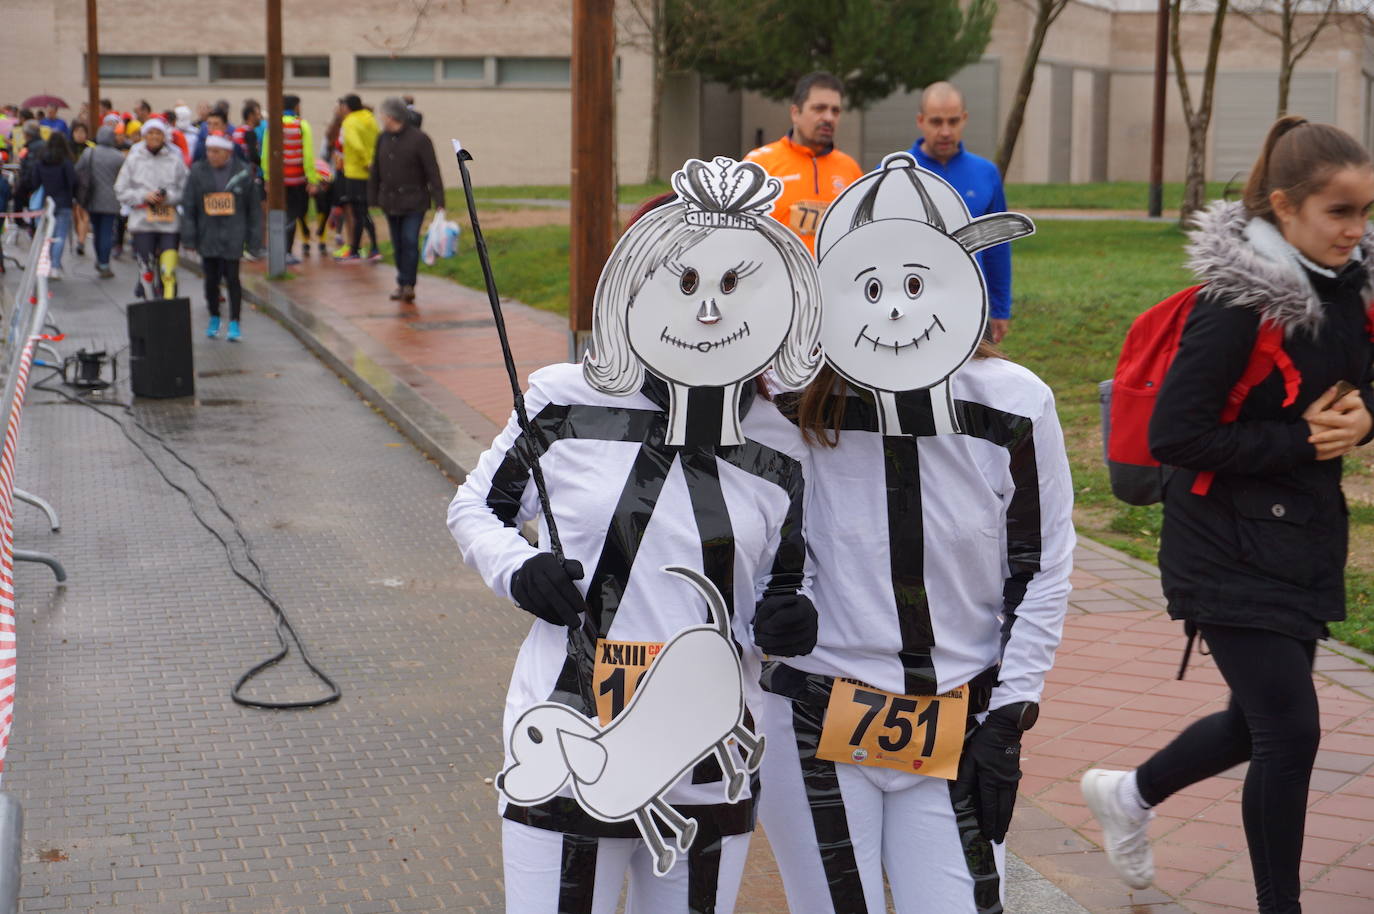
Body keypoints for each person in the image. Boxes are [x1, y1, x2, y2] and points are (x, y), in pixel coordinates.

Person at [448, 170, 823, 913]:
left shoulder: (782, 445)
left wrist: (792, 614)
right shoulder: (565, 400)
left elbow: (789, 576)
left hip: (708, 760)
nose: (708, 307)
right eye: (679, 278)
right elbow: (474, 508)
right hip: (566, 739)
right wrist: (519, 569)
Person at [758, 156, 1073, 914]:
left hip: (960, 720)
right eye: (871, 285)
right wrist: (764, 611)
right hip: (815, 712)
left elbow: (1043, 567)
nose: (897, 310)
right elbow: (745, 539)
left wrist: (1012, 711)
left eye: (920, 280)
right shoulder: (789, 403)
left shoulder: (1013, 405)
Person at [1081, 117, 1374, 914]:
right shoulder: (1237, 303)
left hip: (1302, 534)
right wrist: (1303, 442)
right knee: (1291, 730)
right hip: (1220, 540)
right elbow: (1180, 433)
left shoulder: (1350, 288)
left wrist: (1366, 417)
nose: (1357, 230)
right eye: (1339, 213)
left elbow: (1365, 378)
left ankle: (1129, 794)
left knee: (1257, 723)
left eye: (1365, 211)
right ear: (1284, 208)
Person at [907, 82, 1015, 344]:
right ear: (920, 121)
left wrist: (1000, 308)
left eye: (953, 121)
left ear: (964, 119)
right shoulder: (897, 172)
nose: (945, 131)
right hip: (911, 307)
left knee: (973, 383)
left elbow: (997, 247)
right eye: (936, 122)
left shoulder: (986, 174)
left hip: (973, 306)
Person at [743, 71, 864, 256]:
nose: (829, 118)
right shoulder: (759, 164)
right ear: (795, 113)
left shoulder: (850, 169)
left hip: (831, 282)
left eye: (835, 111)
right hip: (776, 281)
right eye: (819, 108)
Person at [182, 132, 261, 342]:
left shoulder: (242, 173)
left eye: (216, 151)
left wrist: (254, 242)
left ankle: (235, 321)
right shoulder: (198, 172)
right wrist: (189, 237)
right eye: (209, 151)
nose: (211, 155)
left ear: (227, 152)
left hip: (233, 233)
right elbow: (189, 205)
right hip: (207, 234)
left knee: (233, 278)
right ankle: (214, 316)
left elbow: (253, 210)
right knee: (211, 280)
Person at [368, 97, 442, 303]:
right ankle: (402, 282)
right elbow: (376, 169)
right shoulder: (382, 138)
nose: (381, 118)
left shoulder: (420, 139)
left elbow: (432, 171)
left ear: (391, 116)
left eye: (383, 115)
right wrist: (372, 197)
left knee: (410, 240)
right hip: (390, 201)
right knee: (398, 243)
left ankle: (408, 284)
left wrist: (440, 201)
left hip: (414, 201)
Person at [114, 117, 189, 299]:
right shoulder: (134, 158)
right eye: (151, 133)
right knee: (146, 269)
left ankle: (169, 307)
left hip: (169, 223)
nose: (154, 137)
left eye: (158, 133)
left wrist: (168, 198)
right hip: (142, 222)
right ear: (144, 136)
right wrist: (143, 197)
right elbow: (120, 190)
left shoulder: (175, 158)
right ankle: (149, 306)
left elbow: (186, 189)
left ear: (165, 137)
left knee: (168, 270)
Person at [260, 94, 319, 264]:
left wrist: (267, 177)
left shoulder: (273, 125)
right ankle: (286, 252)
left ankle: (276, 250)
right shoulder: (302, 125)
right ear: (296, 107)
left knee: (279, 213)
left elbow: (266, 153)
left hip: (278, 180)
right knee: (293, 215)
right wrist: (312, 179)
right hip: (297, 180)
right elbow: (307, 155)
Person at [334, 94, 380, 263]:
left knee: (358, 211)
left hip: (355, 171)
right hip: (370, 171)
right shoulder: (370, 119)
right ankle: (366, 248)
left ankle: (359, 249)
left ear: (347, 107)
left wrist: (365, 161)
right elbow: (377, 139)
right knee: (362, 210)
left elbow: (354, 143)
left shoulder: (350, 122)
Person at [76, 125, 125, 279]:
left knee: (97, 231)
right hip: (111, 199)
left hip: (92, 197)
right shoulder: (119, 156)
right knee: (106, 232)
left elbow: (78, 170)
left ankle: (100, 260)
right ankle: (104, 263)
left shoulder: (89, 152)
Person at [34, 132, 79, 279]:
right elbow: (72, 181)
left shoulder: (41, 161)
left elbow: (34, 181)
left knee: (47, 236)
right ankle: (55, 267)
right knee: (60, 235)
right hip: (64, 201)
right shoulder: (66, 161)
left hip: (46, 202)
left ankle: (45, 265)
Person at [69, 121, 92, 256]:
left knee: (83, 213)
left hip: (86, 186)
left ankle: (81, 242)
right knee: (75, 214)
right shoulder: (67, 148)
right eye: (77, 132)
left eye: (83, 132)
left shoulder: (90, 149)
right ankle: (79, 237)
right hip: (72, 185)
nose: (80, 135)